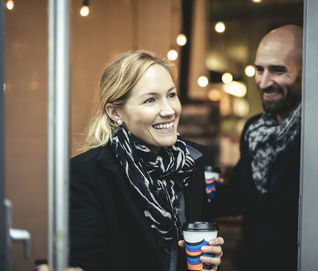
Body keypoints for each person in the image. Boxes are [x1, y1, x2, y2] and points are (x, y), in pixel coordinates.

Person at [68, 50, 224, 271]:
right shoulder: (87, 173)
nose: (169, 110)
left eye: (171, 95)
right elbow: (84, 260)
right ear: (115, 112)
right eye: (150, 100)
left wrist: (212, 259)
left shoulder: (192, 161)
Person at [210, 24, 303, 270]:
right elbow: (242, 197)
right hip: (250, 262)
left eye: (277, 70)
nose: (263, 82)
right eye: (259, 69)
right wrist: (201, 191)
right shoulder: (254, 130)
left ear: (307, 72)